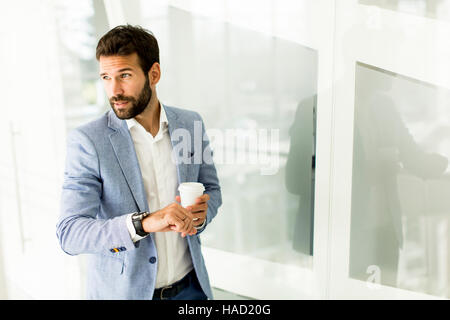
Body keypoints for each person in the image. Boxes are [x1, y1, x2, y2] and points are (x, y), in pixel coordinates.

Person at [56, 25, 222, 300]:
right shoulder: (88, 141)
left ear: (153, 74)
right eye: (106, 77)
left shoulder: (190, 124)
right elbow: (70, 232)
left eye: (124, 75)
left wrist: (202, 214)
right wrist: (142, 223)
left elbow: (212, 190)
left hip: (191, 289)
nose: (114, 90)